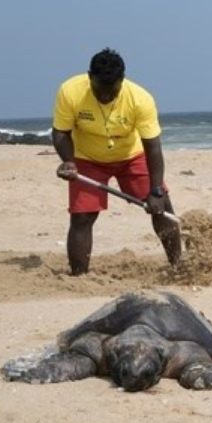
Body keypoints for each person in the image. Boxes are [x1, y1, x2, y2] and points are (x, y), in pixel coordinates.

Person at [51, 48, 181, 275]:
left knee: (162, 209)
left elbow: (153, 146)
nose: (105, 97)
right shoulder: (70, 91)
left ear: (122, 80)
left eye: (112, 92)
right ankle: (79, 276)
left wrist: (157, 190)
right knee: (82, 217)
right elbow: (61, 133)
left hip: (131, 156)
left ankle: (179, 267)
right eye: (99, 91)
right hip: (87, 159)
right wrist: (69, 162)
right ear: (90, 77)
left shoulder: (140, 99)